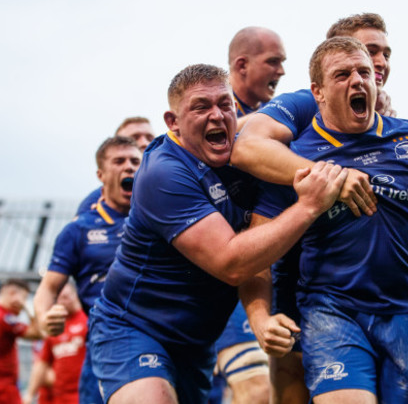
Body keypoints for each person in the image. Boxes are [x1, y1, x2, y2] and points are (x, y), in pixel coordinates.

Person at [249, 36, 408, 403]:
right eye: (343, 75)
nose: (358, 81)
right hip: (331, 312)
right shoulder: (295, 156)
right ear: (317, 92)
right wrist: (260, 317)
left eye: (364, 72)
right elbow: (257, 247)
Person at [86, 63, 347, 404]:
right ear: (172, 122)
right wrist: (309, 205)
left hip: (196, 342)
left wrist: (366, 99)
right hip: (134, 328)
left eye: (225, 105)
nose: (217, 115)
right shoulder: (163, 172)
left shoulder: (245, 159)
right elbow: (233, 262)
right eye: (200, 106)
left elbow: (258, 250)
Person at [230, 13, 395, 404]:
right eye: (368, 51)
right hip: (301, 280)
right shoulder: (305, 102)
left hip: (383, 298)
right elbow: (246, 146)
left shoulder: (396, 125)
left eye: (385, 53)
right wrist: (333, 180)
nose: (379, 62)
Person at [209, 26, 288, 404]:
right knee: (256, 390)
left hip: (263, 271)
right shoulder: (212, 119)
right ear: (242, 65)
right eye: (274, 61)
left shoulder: (272, 118)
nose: (282, 71)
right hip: (219, 277)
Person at [33, 136, 142, 404]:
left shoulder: (161, 216)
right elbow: (47, 288)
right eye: (119, 161)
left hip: (163, 332)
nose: (129, 167)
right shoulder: (78, 229)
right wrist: (44, 318)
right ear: (101, 175)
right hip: (107, 338)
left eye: (135, 161)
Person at [76, 117, 155, 214]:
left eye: (150, 138)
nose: (144, 143)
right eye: (134, 138)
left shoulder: (171, 186)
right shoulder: (94, 203)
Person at [24, 283, 87, 404]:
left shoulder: (87, 319)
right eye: (59, 298)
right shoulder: (55, 326)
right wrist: (30, 393)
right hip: (58, 395)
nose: (63, 301)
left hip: (82, 393)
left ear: (75, 295)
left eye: (66, 296)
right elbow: (42, 362)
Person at [0, 279, 41, 404]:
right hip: (4, 387)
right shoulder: (6, 318)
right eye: (24, 298)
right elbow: (37, 333)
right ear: (12, 293)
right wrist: (28, 310)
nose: (23, 302)